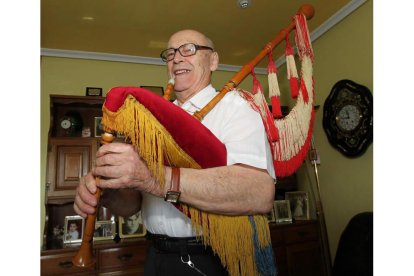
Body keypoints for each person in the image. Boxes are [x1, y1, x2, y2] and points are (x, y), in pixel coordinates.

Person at [74, 29, 275, 275]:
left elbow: (259, 193)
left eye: (188, 49)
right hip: (157, 255)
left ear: (213, 61)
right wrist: (107, 193)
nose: (176, 58)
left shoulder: (237, 108)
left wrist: (154, 178)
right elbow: (132, 206)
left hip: (216, 256)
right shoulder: (152, 121)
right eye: (169, 54)